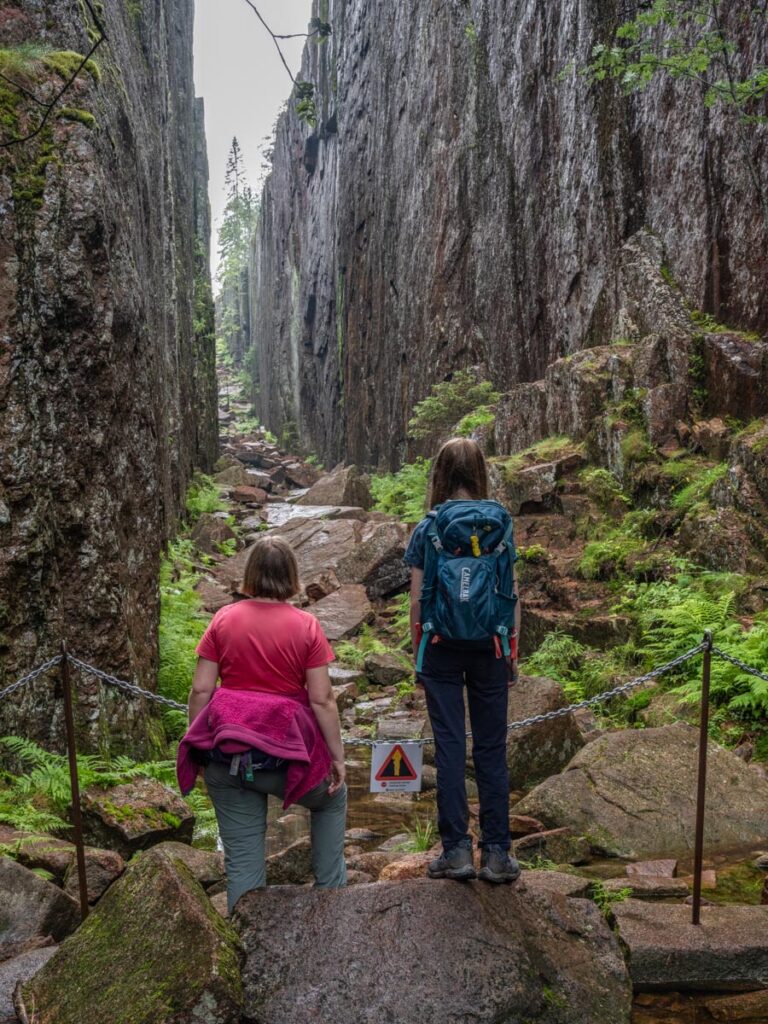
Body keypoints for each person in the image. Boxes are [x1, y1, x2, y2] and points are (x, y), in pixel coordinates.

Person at [176, 536, 347, 913]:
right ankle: (333, 903)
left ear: (250, 575)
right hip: (285, 761)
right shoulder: (306, 626)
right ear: (292, 576)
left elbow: (201, 689)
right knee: (333, 800)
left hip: (228, 757)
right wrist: (337, 758)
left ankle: (245, 940)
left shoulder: (223, 619)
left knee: (242, 866)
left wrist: (200, 747)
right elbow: (321, 699)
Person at [404, 437, 521, 883]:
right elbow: (512, 594)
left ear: (440, 473)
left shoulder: (429, 526)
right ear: (480, 471)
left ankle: (456, 851)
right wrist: (512, 651)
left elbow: (418, 600)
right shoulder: (502, 524)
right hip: (491, 646)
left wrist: (417, 653)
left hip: (440, 648)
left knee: (451, 746)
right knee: (492, 747)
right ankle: (496, 854)